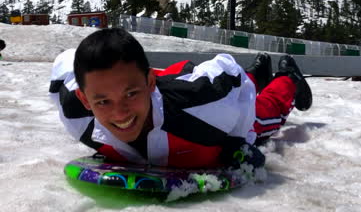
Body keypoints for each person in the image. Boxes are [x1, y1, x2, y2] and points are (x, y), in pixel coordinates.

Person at [49, 28, 311, 169]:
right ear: (85, 100)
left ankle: (288, 78)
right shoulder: (76, 114)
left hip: (192, 89)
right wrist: (129, 90)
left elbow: (231, 75)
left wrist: (238, 139)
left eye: (129, 95)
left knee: (260, 115)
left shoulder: (202, 106)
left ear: (149, 82)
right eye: (103, 101)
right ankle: (259, 71)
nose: (120, 113)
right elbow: (64, 65)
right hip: (157, 81)